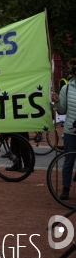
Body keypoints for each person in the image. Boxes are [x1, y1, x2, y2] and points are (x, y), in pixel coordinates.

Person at [52, 58, 76, 200]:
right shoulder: (66, 88)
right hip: (71, 131)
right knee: (69, 160)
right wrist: (58, 102)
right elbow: (62, 110)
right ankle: (65, 188)